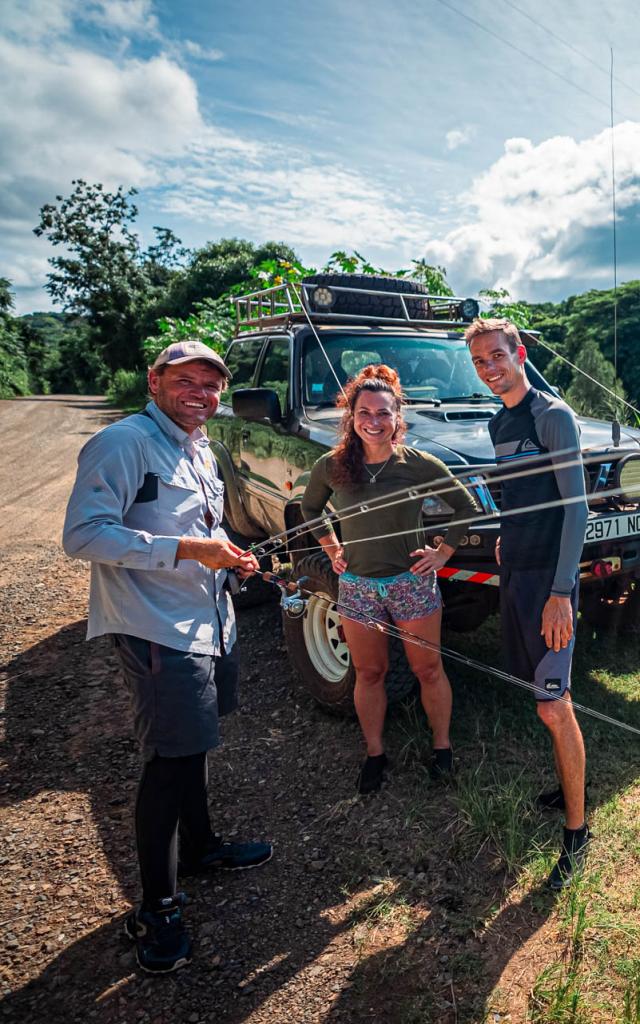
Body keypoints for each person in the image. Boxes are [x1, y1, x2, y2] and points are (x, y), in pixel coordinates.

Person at [63, 340, 272, 974]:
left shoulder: (202, 447)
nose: (200, 395)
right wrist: (185, 551)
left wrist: (230, 555)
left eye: (211, 386)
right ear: (154, 380)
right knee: (168, 760)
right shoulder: (124, 443)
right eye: (185, 381)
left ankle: (203, 846)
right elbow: (84, 534)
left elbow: (205, 529)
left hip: (209, 620)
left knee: (195, 744)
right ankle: (155, 907)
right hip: (157, 629)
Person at [301, 364, 477, 794]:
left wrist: (442, 553)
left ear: (399, 417)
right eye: (365, 412)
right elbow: (309, 510)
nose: (374, 422)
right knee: (370, 672)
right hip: (358, 585)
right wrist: (332, 550)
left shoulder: (418, 464)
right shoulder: (332, 465)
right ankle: (375, 754)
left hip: (410, 583)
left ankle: (442, 748)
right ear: (351, 415)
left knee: (428, 669)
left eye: (384, 413)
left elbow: (467, 506)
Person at [466, 317, 590, 890]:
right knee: (539, 693)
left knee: (552, 704)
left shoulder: (552, 415)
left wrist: (562, 593)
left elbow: (577, 509)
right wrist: (503, 536)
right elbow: (518, 493)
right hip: (514, 569)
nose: (490, 369)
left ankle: (577, 832)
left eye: (497, 356)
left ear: (519, 353)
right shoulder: (498, 422)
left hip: (548, 581)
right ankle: (566, 788)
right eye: (480, 362)